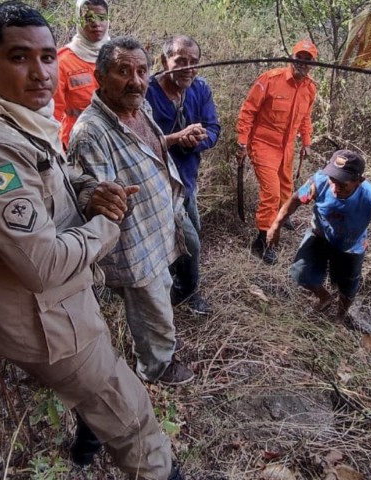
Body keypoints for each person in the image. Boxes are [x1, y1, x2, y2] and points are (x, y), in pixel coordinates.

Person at [0, 3, 227, 480]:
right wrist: (106, 224)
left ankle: (87, 436)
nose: (41, 72)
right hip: (47, 320)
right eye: (20, 57)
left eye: (48, 57)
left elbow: (53, 178)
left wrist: (88, 192)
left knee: (94, 391)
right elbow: (43, 263)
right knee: (126, 404)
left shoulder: (18, 121)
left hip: (66, 301)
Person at [68, 36, 200, 387]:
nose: (136, 80)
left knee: (162, 292)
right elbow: (92, 194)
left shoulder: (140, 108)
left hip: (159, 224)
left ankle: (163, 343)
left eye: (141, 71)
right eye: (123, 71)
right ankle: (157, 367)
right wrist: (96, 196)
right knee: (150, 304)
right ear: (100, 76)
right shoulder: (90, 133)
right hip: (134, 240)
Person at [267, 150, 371, 321]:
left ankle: (341, 315)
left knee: (347, 289)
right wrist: (276, 225)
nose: (335, 188)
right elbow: (295, 199)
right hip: (319, 235)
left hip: (350, 247)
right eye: (333, 180)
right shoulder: (320, 181)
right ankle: (325, 297)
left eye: (343, 184)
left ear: (359, 181)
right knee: (301, 274)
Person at [146, 34, 221, 315]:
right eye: (181, 61)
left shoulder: (200, 89)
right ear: (165, 61)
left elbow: (214, 128)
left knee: (190, 235)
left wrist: (198, 139)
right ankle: (186, 293)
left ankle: (175, 284)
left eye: (194, 62)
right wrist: (177, 138)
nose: (188, 68)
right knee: (188, 240)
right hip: (156, 183)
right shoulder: (146, 91)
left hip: (187, 180)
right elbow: (137, 141)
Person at [236, 39, 319, 265]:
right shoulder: (270, 79)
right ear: (291, 58)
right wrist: (242, 140)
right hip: (263, 143)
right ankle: (262, 241)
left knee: (286, 189)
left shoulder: (310, 88)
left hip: (288, 146)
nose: (302, 63)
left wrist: (307, 142)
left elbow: (306, 118)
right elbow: (248, 110)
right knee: (271, 193)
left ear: (312, 63)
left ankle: (281, 218)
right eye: (298, 58)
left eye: (307, 60)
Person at [52, 0, 110, 149]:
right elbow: (53, 112)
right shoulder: (63, 60)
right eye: (88, 18)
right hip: (77, 140)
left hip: (113, 135)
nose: (96, 23)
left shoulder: (117, 54)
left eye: (101, 17)